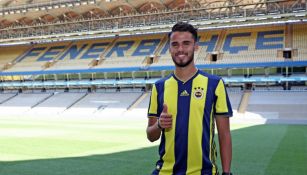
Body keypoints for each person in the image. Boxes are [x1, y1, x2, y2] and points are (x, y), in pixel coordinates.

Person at [146, 22, 233, 175]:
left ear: (195, 46)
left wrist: (226, 172)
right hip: (165, 171)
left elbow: (224, 134)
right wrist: (159, 124)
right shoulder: (159, 87)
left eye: (186, 43)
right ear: (170, 49)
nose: (180, 49)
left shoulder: (214, 84)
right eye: (175, 44)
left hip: (204, 172)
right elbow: (151, 136)